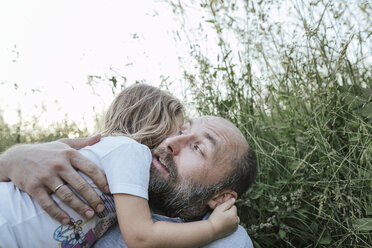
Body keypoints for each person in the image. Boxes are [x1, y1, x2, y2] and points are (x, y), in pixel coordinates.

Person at [0, 91, 258, 248]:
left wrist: (214, 230)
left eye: (198, 148)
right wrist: (11, 160)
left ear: (221, 198)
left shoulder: (228, 241)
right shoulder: (118, 176)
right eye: (180, 131)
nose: (170, 143)